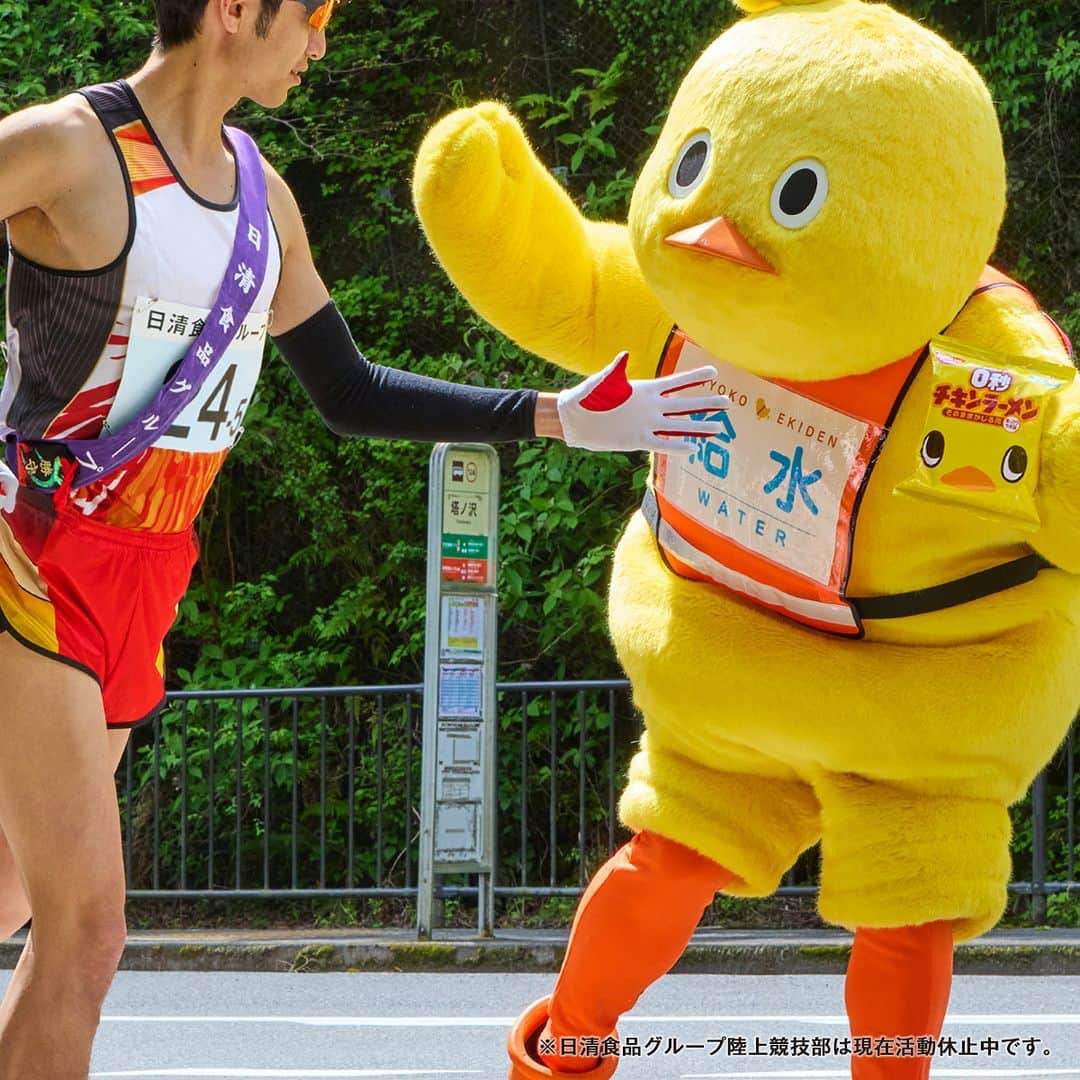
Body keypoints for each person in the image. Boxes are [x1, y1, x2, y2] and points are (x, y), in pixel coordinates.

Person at [0, 2, 730, 1076]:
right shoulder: (69, 147)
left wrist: (560, 415)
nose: (323, 43)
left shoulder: (263, 198)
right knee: (88, 927)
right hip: (35, 553)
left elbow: (346, 390)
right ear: (237, 11)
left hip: (149, 578)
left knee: (17, 891)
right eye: (317, 15)